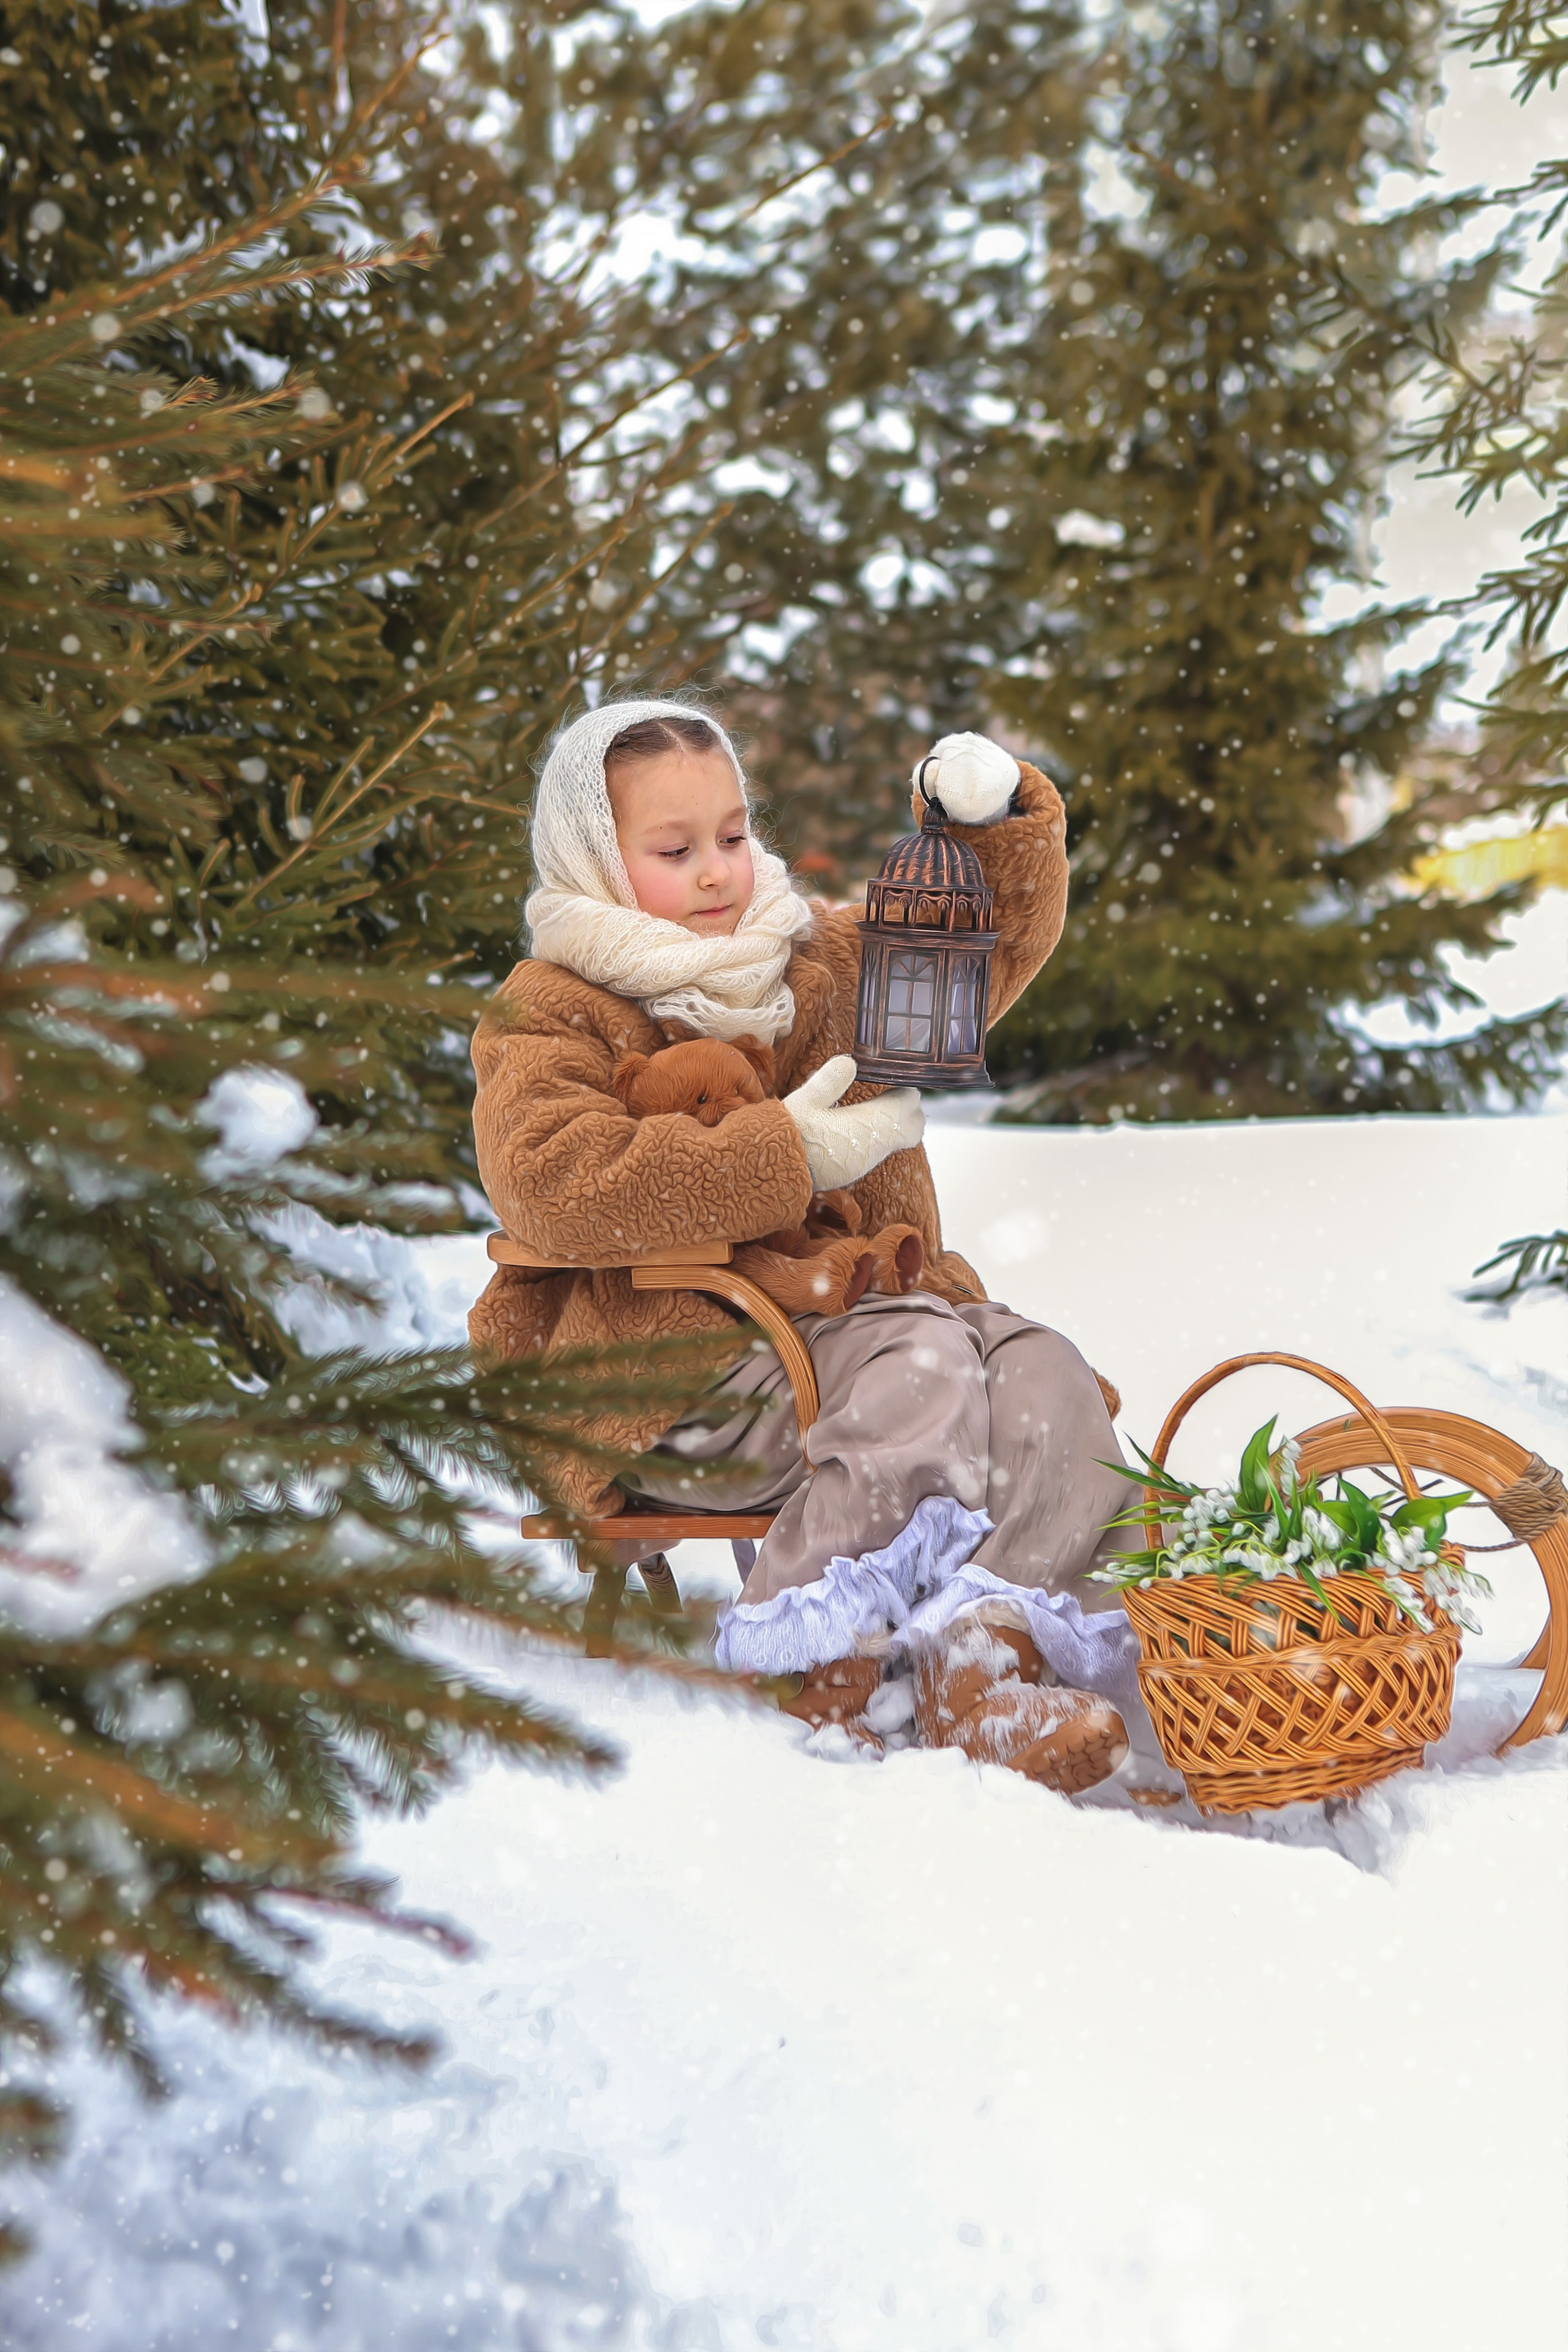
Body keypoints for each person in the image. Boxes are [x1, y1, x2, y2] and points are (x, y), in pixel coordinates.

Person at [469, 699, 1139, 1793]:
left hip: (861, 1325)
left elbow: (975, 959)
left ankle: (985, 1662)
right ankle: (821, 1648)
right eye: (674, 851)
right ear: (595, 855)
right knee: (925, 1360)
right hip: (674, 1377)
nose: (717, 871)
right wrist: (785, 1154)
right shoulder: (552, 1013)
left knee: (1038, 1369)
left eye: (732, 835)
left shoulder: (812, 963)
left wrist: (987, 829)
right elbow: (553, 1180)